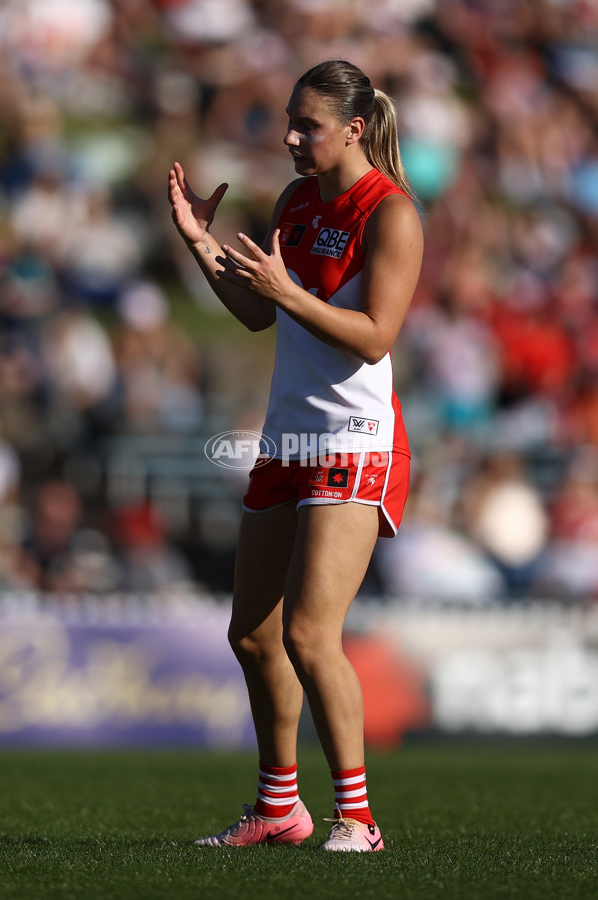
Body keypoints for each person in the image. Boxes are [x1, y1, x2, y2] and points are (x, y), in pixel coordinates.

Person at [168, 59, 423, 852]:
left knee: (313, 636)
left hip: (355, 439)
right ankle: (280, 807)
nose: (289, 136)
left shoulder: (392, 213)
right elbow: (256, 313)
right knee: (253, 634)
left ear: (353, 127)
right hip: (288, 438)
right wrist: (201, 243)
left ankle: (360, 820)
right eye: (288, 119)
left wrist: (288, 296)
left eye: (306, 125)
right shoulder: (295, 200)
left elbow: (376, 336)